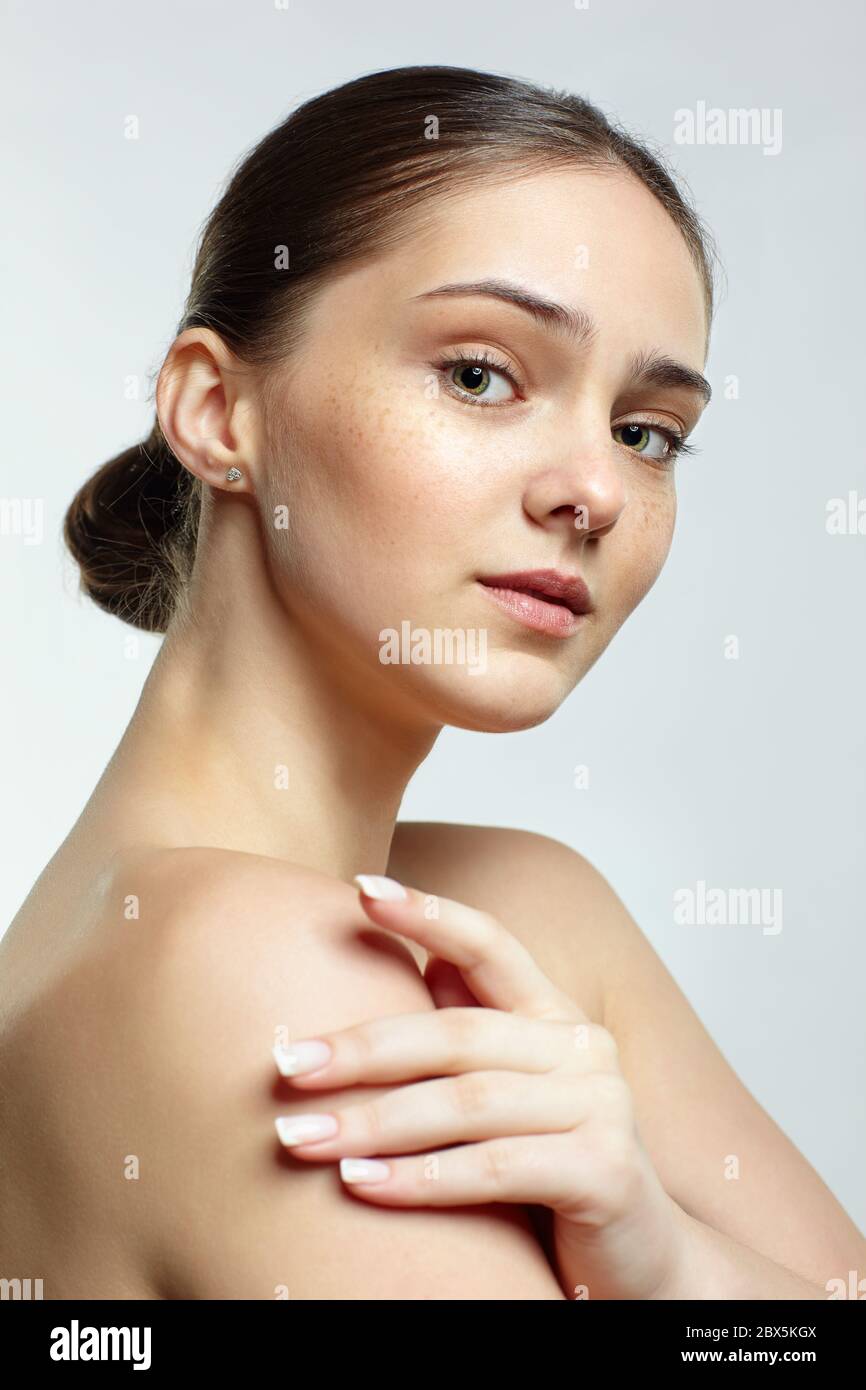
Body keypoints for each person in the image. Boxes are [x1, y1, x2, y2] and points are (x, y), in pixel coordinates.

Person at [1, 65, 862, 1300]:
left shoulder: (525, 906)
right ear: (214, 411)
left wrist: (667, 1266)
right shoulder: (241, 967)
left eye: (645, 430)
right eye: (479, 373)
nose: (597, 490)